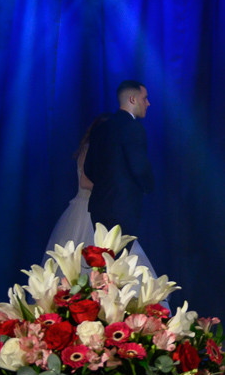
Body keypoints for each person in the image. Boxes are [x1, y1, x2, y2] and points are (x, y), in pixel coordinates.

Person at [44, 114, 155, 272]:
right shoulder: (89, 149)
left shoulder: (105, 151)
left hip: (103, 208)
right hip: (85, 210)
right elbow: (84, 182)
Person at [83, 80, 156, 235]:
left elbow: (88, 168)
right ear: (132, 99)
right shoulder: (133, 127)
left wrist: (106, 185)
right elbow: (139, 168)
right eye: (145, 98)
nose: (148, 103)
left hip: (99, 207)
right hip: (124, 207)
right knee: (120, 250)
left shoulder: (100, 128)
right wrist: (148, 187)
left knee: (103, 250)